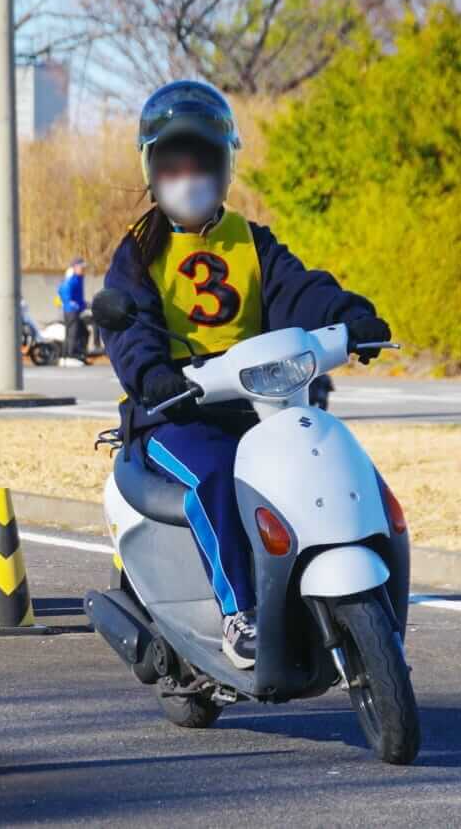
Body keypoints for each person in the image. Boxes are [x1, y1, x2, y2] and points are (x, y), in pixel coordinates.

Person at [102, 81, 392, 670]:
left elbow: (300, 289)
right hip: (178, 412)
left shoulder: (252, 242)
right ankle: (241, 616)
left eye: (203, 161)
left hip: (259, 404)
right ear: (152, 168)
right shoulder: (136, 252)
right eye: (175, 162)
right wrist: (154, 377)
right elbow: (126, 327)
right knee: (213, 472)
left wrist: (349, 316)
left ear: (226, 164)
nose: (190, 175)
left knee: (326, 455)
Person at [57, 257, 88, 366]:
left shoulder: (79, 278)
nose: (83, 269)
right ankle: (70, 356)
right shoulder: (72, 278)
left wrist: (85, 305)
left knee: (83, 332)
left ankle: (78, 354)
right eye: (81, 267)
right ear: (75, 267)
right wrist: (69, 302)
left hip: (76, 310)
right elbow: (63, 289)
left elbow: (78, 296)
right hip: (71, 311)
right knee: (72, 333)